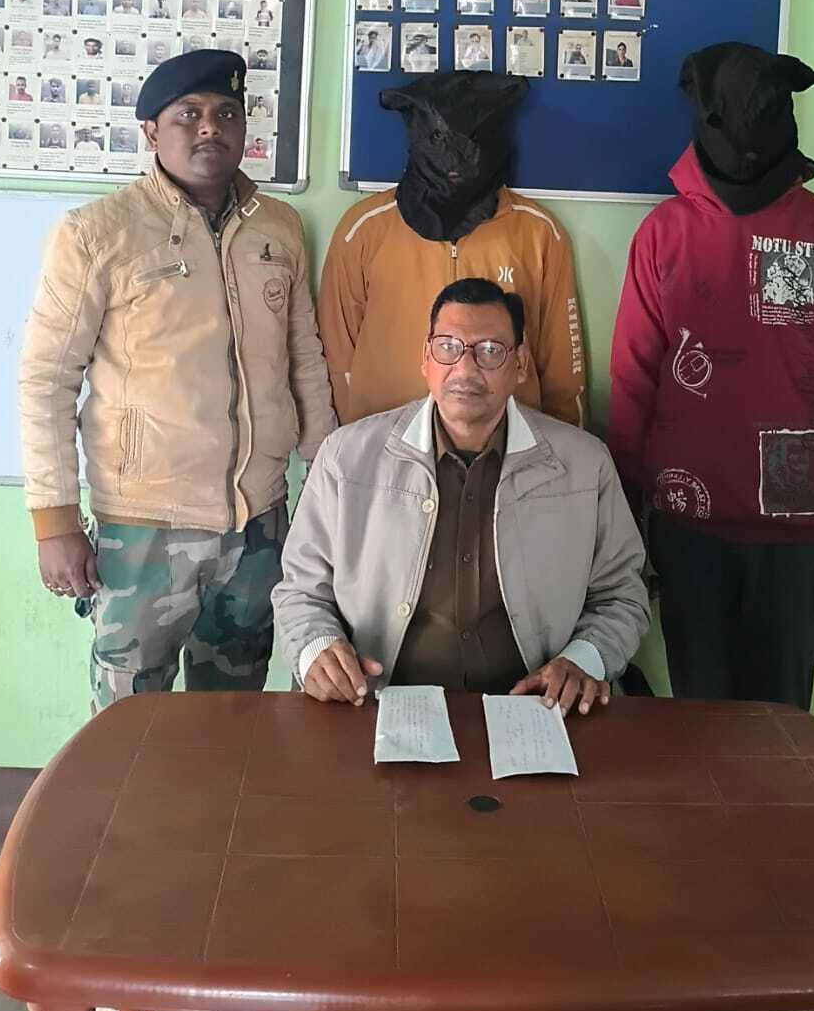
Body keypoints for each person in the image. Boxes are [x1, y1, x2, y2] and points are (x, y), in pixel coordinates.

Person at [19, 49, 336, 711]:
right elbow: (47, 380)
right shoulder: (97, 234)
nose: (209, 128)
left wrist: (326, 487)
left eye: (226, 113)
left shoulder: (278, 228)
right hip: (144, 528)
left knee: (234, 713)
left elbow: (304, 360)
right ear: (151, 132)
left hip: (259, 524)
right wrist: (54, 521)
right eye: (187, 114)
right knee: (128, 721)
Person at [608, 42, 814, 710]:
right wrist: (622, 529)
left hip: (797, 535)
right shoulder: (664, 235)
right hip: (686, 527)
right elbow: (631, 385)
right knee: (700, 721)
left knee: (781, 725)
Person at [275, 277, 648, 709]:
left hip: (533, 708)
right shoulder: (347, 457)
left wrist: (583, 660)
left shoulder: (584, 464)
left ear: (520, 363)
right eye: (448, 347)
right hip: (380, 703)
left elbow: (622, 594)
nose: (466, 369)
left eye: (490, 350)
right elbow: (300, 590)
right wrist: (317, 649)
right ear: (426, 358)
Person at [319, 72, 587, 427]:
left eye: (471, 142)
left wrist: (560, 451)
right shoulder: (363, 230)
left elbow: (563, 372)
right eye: (439, 140)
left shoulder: (539, 233)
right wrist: (347, 442)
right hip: (384, 441)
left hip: (505, 443)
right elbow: (336, 357)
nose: (455, 162)